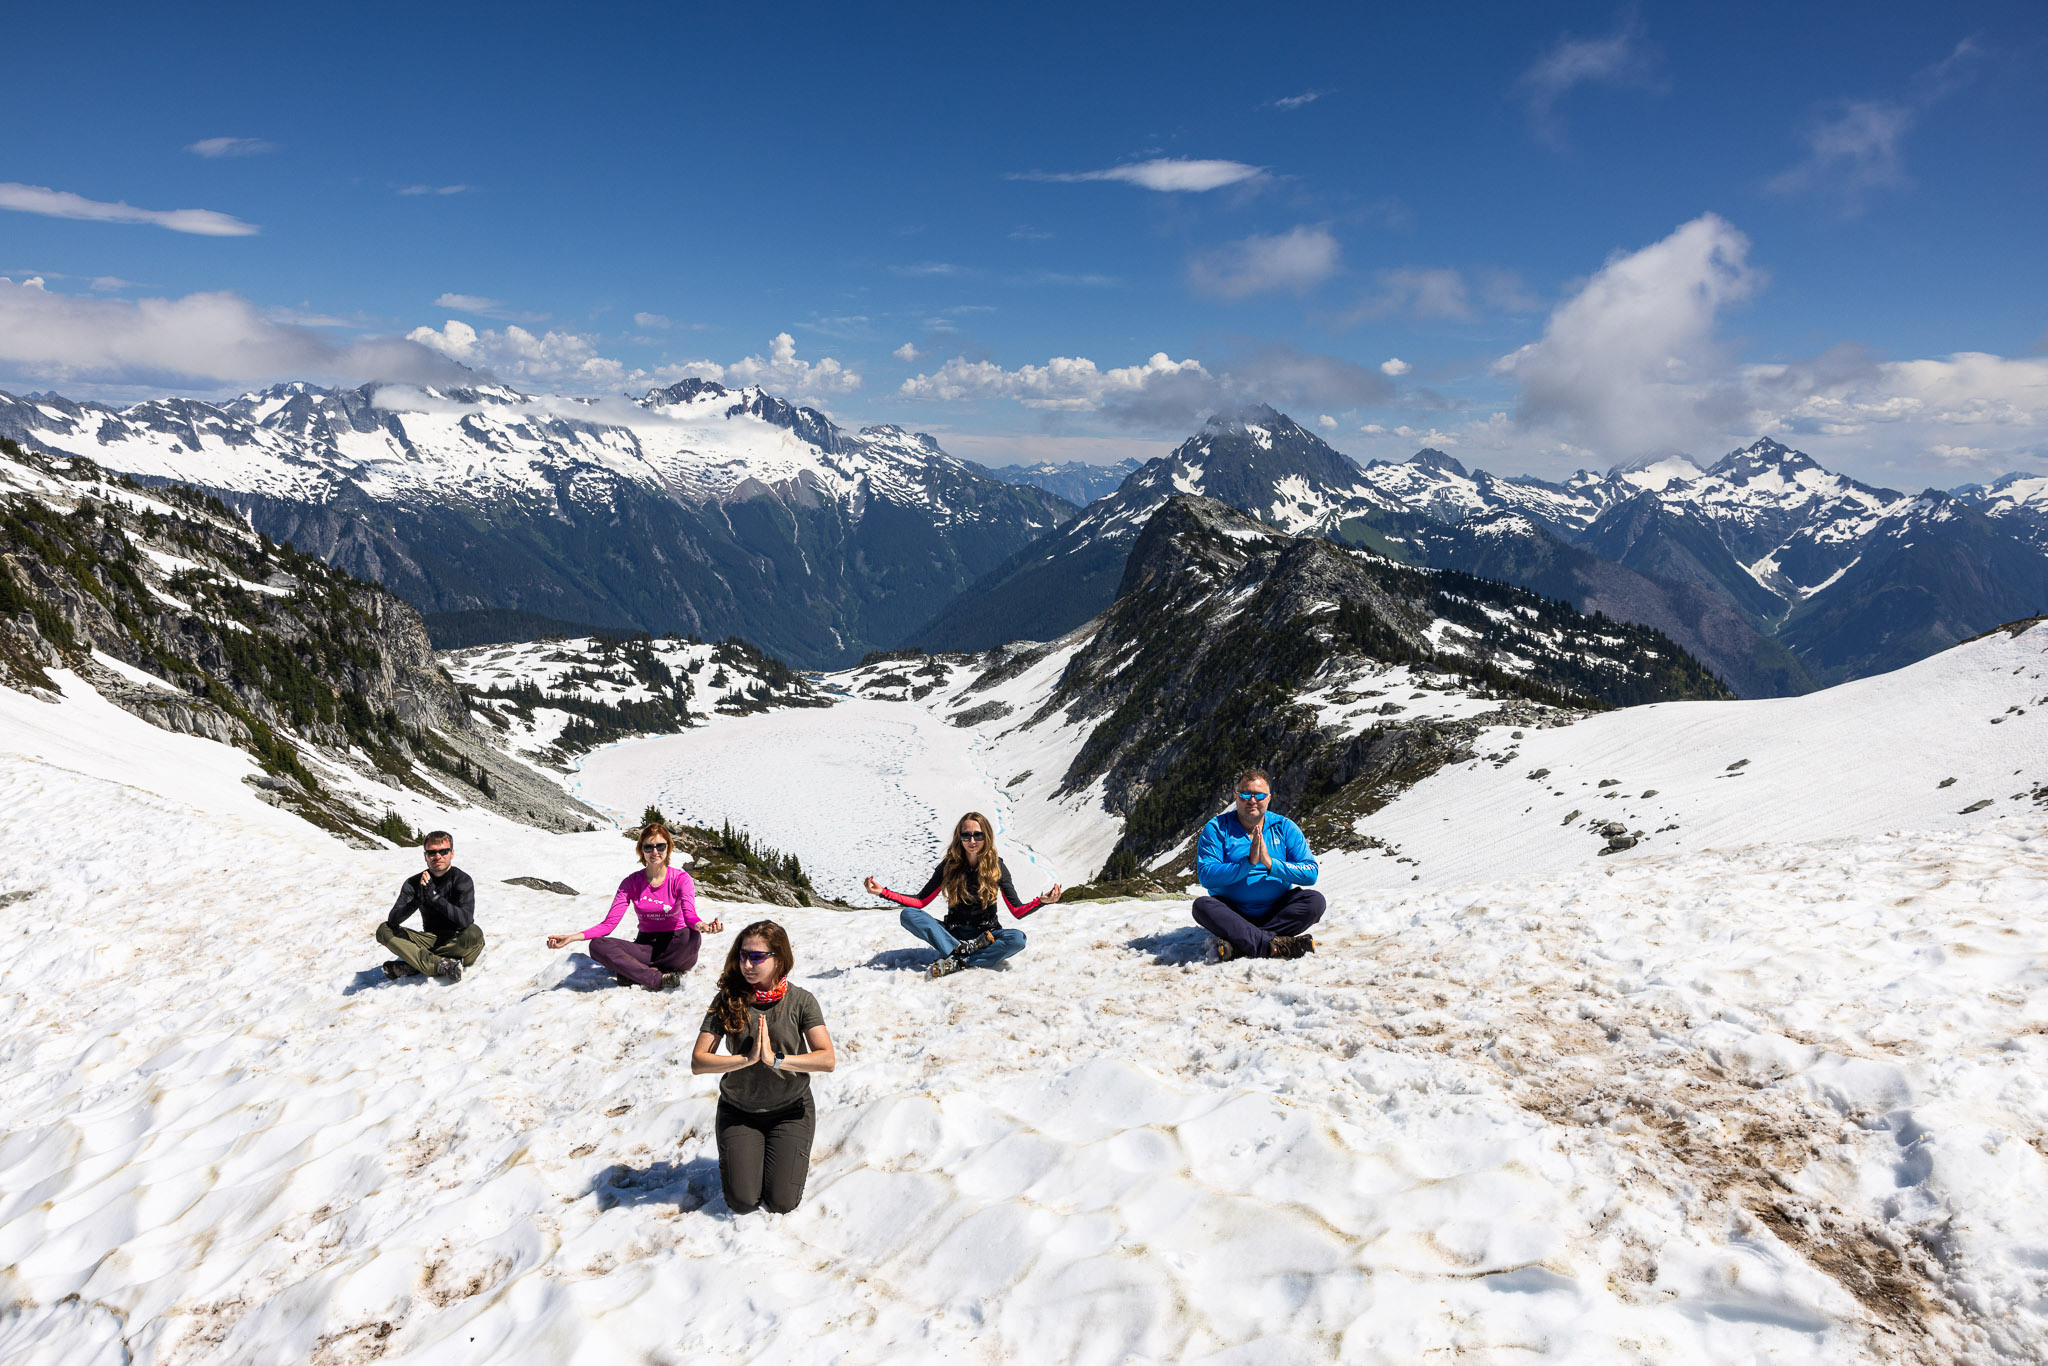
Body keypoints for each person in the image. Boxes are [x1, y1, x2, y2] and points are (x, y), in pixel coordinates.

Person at [691, 921, 835, 1215]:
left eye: (757, 957)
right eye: (743, 955)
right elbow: (699, 1061)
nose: (747, 964)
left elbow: (826, 1059)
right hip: (739, 1111)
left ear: (779, 959)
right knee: (743, 1201)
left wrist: (776, 1059)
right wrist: (745, 1060)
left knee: (782, 1202)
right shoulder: (728, 999)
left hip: (791, 1110)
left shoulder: (801, 1001)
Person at [864, 812, 1061, 979]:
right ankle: (960, 950)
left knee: (1017, 939)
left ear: (987, 837)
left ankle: (961, 960)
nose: (972, 841)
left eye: (977, 835)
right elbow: (920, 901)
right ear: (959, 838)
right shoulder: (949, 866)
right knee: (908, 914)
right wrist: (883, 892)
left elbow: (1016, 910)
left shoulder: (997, 867)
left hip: (987, 935)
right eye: (966, 836)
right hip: (953, 934)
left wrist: (1041, 902)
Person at [546, 820, 723, 989]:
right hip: (645, 946)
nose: (655, 852)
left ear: (668, 848)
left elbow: (689, 914)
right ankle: (656, 978)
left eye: (660, 846)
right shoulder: (631, 882)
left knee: (691, 935)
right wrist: (571, 938)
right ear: (641, 850)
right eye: (648, 847)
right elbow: (608, 925)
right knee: (597, 945)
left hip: (677, 944)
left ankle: (634, 973)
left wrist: (702, 926)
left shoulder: (681, 879)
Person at [1193, 768, 1323, 962]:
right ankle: (1274, 944)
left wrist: (1271, 864)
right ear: (1236, 797)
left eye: (1259, 795)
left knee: (1314, 901)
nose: (1251, 800)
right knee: (1202, 906)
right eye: (1245, 794)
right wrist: (1247, 863)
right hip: (1233, 911)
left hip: (1277, 911)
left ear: (1268, 798)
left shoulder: (1284, 827)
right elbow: (1206, 874)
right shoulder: (1217, 827)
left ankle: (1242, 944)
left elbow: (1310, 873)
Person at [378, 830, 483, 982]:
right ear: (425, 856)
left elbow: (465, 920)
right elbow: (393, 920)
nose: (438, 856)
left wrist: (434, 898)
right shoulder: (414, 883)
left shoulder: (462, 880)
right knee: (384, 930)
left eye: (443, 851)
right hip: (430, 940)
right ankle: (440, 964)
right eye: (432, 853)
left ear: (451, 853)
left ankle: (418, 964)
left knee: (474, 933)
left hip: (457, 940)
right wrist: (417, 901)